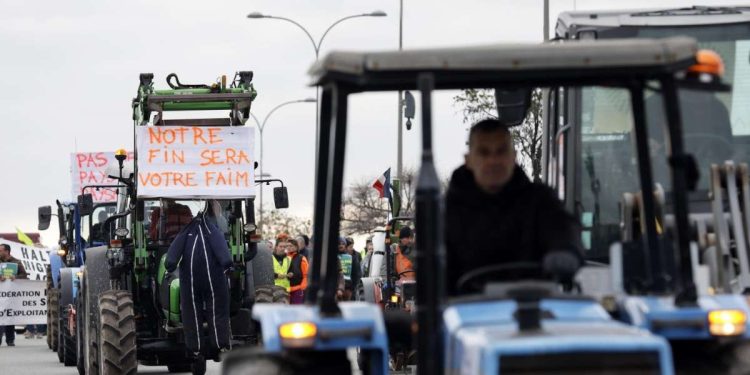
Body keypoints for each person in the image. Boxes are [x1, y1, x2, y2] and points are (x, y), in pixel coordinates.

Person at [445, 119, 583, 295]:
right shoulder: (446, 212)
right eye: (484, 152)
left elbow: (562, 229)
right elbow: (433, 265)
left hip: (531, 306)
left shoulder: (540, 200)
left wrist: (565, 249)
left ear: (513, 156)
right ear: (469, 160)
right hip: (466, 309)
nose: (493, 160)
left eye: (501, 151)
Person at [165, 216, 232, 359]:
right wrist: (228, 267)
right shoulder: (213, 230)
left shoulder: (185, 232)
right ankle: (221, 345)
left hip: (190, 280)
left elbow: (171, 259)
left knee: (190, 312)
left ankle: (195, 349)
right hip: (214, 279)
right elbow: (225, 256)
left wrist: (170, 267)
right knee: (217, 310)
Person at [0, 243, 28, 346]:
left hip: (11, 295)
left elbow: (24, 276)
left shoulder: (16, 262)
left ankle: (10, 339)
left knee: (9, 316)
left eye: (0, 251)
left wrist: (15, 278)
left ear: (7, 251)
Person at [286, 239, 309, 304]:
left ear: (296, 247)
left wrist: (302, 288)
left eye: (291, 246)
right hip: (285, 290)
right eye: (287, 246)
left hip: (297, 290)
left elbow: (306, 275)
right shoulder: (284, 257)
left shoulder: (301, 258)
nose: (289, 247)